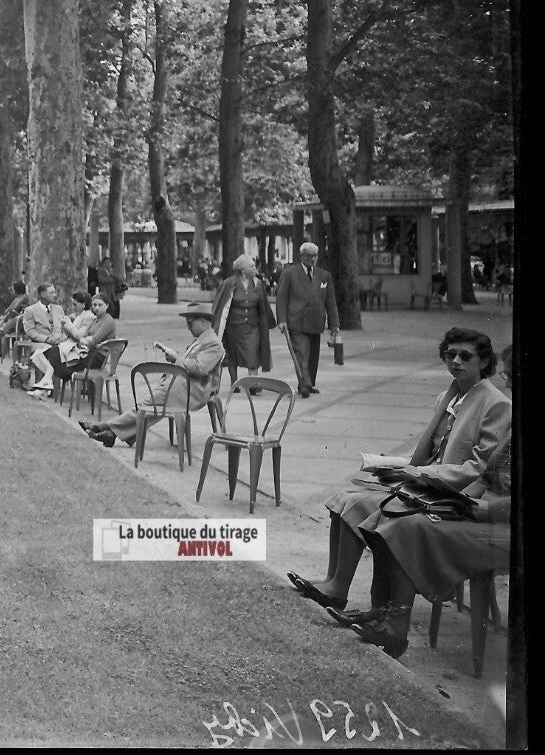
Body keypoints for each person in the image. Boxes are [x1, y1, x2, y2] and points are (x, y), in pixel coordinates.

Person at [285, 328, 511, 649]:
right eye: (450, 355)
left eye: (465, 356)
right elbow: (434, 451)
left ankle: (388, 619)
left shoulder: (495, 403)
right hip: (428, 482)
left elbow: (476, 468)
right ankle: (337, 587)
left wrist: (418, 473)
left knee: (389, 518)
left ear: (484, 361)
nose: (456, 361)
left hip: (453, 493)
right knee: (349, 499)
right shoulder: (450, 395)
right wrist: (397, 466)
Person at [82, 305, 225, 447]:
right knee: (150, 406)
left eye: (190, 323)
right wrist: (174, 357)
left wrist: (176, 358)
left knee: (148, 405)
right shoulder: (202, 340)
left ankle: (106, 427)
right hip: (183, 386)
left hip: (194, 390)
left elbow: (200, 368)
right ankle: (111, 433)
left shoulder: (214, 344)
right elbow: (190, 363)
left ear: (203, 321)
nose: (188, 328)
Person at [275, 241, 340, 398]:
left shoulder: (324, 275)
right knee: (301, 353)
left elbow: (330, 302)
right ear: (302, 256)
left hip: (316, 320)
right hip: (296, 320)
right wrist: (282, 320)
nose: (313, 259)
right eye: (309, 256)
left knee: (313, 356)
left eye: (315, 256)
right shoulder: (289, 273)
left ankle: (310, 383)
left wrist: (334, 324)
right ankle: (303, 384)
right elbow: (281, 298)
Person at [211, 253, 278, 399]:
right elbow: (219, 304)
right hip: (233, 328)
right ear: (243, 270)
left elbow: (264, 304)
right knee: (232, 356)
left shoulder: (258, 284)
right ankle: (234, 382)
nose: (255, 268)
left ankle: (253, 383)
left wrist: (270, 321)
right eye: (251, 266)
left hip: (253, 327)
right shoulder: (229, 283)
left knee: (253, 353)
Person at [39, 292, 118, 401]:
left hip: (97, 357)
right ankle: (47, 383)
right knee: (54, 351)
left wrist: (85, 340)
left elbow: (93, 340)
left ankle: (48, 384)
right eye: (94, 305)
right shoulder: (96, 319)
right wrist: (84, 339)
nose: (96, 308)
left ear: (107, 306)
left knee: (57, 354)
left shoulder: (108, 321)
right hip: (88, 352)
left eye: (100, 305)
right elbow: (85, 337)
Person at [21, 283, 68, 398]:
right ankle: (48, 386)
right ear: (42, 294)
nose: (55, 295)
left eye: (54, 292)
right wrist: (46, 339)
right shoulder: (30, 310)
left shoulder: (58, 309)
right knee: (48, 351)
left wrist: (61, 339)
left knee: (60, 351)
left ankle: (48, 385)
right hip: (40, 343)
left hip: (58, 343)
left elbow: (64, 328)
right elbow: (30, 331)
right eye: (51, 292)